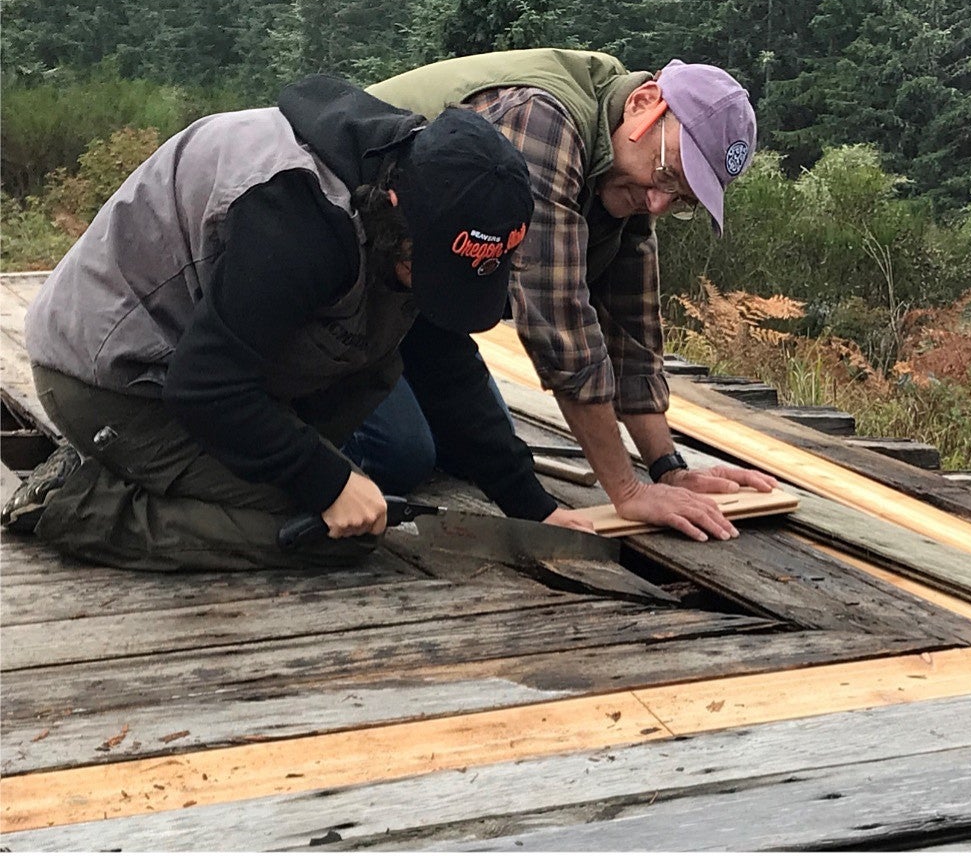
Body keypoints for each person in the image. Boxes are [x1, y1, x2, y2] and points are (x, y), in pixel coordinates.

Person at [0, 74, 590, 571]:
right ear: (392, 208)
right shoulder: (296, 218)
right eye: (425, 268)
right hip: (115, 377)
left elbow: (446, 361)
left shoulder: (423, 186)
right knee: (331, 534)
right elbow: (204, 384)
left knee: (374, 410)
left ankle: (182, 474)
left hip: (208, 362)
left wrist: (530, 504)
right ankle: (76, 501)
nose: (427, 284)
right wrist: (324, 480)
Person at [362, 49, 779, 544]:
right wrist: (625, 489)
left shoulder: (628, 172)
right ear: (645, 103)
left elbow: (631, 332)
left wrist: (668, 468)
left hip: (423, 303)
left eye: (682, 199)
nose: (658, 202)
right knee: (402, 454)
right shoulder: (543, 121)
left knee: (469, 451)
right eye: (667, 174)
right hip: (337, 283)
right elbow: (558, 322)